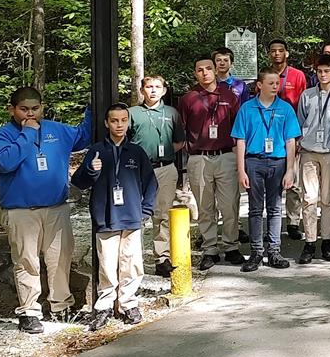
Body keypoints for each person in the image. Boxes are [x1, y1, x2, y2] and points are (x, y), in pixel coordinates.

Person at [0, 87, 92, 334]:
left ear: (42, 107)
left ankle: (61, 306)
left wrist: (93, 106)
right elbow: (5, 163)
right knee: (27, 261)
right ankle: (29, 312)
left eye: (35, 108)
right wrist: (27, 134)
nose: (30, 114)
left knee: (60, 258)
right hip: (22, 211)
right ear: (12, 109)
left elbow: (84, 135)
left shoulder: (57, 130)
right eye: (24, 109)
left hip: (56, 207)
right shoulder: (3, 135)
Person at [73, 103, 157, 331]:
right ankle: (105, 306)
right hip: (106, 217)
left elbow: (151, 183)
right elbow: (79, 182)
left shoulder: (137, 152)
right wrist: (91, 170)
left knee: (131, 263)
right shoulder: (96, 150)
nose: (119, 125)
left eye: (123, 120)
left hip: (132, 216)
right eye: (114, 121)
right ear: (106, 123)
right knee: (107, 265)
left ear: (128, 123)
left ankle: (128, 303)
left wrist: (146, 211)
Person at [231, 69, 300, 271]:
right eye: (271, 83)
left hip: (277, 162)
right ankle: (256, 252)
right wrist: (241, 170)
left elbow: (291, 141)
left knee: (275, 207)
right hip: (254, 161)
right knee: (255, 208)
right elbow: (240, 140)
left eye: (277, 83)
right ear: (259, 85)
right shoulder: (247, 108)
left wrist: (290, 170)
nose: (275, 86)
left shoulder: (285, 109)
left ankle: (274, 251)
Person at [180, 56, 243, 270]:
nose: (205, 73)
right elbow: (181, 128)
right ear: (195, 73)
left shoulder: (229, 95)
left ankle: (231, 245)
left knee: (230, 204)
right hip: (199, 158)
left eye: (209, 68)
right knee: (205, 206)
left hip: (226, 155)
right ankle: (210, 249)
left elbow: (238, 127)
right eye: (200, 70)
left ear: (216, 70)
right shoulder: (189, 98)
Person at [128, 75, 186, 277]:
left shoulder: (171, 113)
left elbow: (180, 141)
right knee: (136, 213)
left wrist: (164, 154)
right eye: (149, 86)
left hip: (165, 168)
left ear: (164, 91)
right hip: (137, 171)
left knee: (162, 214)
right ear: (142, 90)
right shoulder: (132, 113)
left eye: (157, 87)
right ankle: (133, 258)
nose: (153, 90)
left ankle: (162, 257)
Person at [296, 53, 330, 264]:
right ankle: (310, 242)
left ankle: (327, 241)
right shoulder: (307, 95)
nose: (323, 75)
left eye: (327, 71)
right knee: (309, 198)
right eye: (319, 71)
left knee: (327, 199)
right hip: (309, 151)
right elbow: (301, 122)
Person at [268, 38, 308, 241]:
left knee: (294, 182)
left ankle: (293, 222)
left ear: (287, 53)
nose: (277, 54)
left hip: (292, 133)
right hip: (270, 135)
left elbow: (304, 105)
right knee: (271, 181)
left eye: (280, 50)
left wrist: (301, 135)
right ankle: (271, 223)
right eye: (273, 51)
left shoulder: (297, 75)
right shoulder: (265, 76)